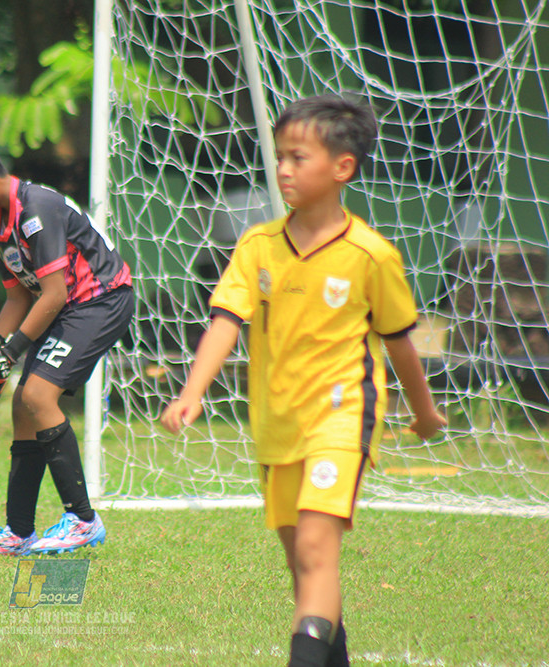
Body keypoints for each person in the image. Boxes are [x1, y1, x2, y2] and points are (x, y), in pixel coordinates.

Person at [160, 95, 446, 666]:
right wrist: (192, 393)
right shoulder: (258, 245)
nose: (283, 169)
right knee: (304, 568)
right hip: (275, 424)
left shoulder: (370, 255)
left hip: (341, 418)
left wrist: (426, 411)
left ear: (342, 167)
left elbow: (399, 342)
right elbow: (225, 322)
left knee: (318, 553)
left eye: (297, 156)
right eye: (279, 156)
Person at [0, 130, 133, 555]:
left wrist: (9, 353)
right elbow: (19, 296)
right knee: (24, 405)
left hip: (101, 300)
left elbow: (55, 293)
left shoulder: (36, 208)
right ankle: (18, 533)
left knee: (39, 396)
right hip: (64, 307)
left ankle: (82, 519)